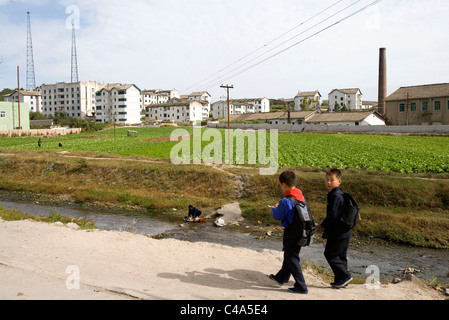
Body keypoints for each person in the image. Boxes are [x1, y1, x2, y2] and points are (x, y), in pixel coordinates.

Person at [268, 171, 308, 294]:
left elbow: (278, 216)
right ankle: (281, 277)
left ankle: (301, 286)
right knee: (290, 255)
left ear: (283, 184)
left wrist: (274, 209)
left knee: (292, 258)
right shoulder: (300, 196)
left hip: (291, 232)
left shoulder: (285, 200)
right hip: (301, 231)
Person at [316, 169, 353, 288]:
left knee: (330, 254)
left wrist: (322, 225)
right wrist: (324, 222)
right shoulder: (336, 193)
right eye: (327, 180)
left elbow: (332, 215)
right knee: (341, 257)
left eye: (332, 180)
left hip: (337, 232)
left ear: (339, 181)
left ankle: (345, 275)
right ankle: (341, 280)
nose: (329, 182)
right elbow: (333, 214)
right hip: (343, 232)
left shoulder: (336, 195)